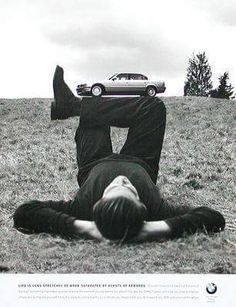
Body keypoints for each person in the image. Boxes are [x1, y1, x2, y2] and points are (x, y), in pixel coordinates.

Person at [13, 66, 225, 243]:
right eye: (130, 190)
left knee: (93, 117)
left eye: (113, 188)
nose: (121, 180)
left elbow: (25, 213)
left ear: (98, 203)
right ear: (141, 205)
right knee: (154, 107)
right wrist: (154, 229)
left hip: (93, 162)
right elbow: (213, 218)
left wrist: (85, 228)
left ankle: (74, 107)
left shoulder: (82, 209)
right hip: (141, 160)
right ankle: (74, 106)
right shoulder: (155, 209)